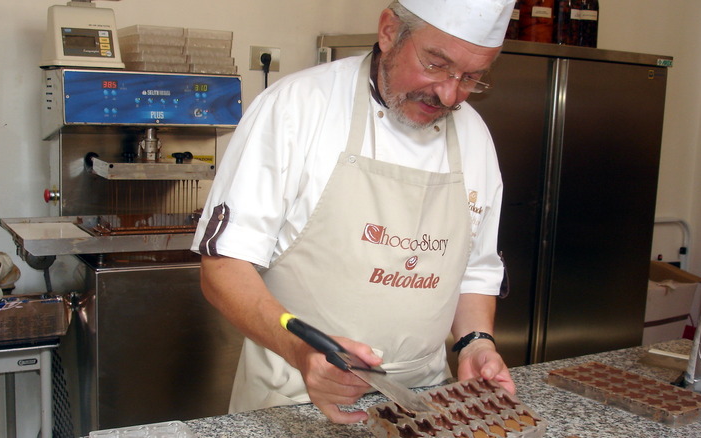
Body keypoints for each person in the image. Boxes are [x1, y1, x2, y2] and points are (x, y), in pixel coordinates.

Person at [192, 0, 516, 424]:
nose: (449, 93)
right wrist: (301, 350)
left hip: (423, 402)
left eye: (472, 77)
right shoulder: (297, 108)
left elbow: (475, 270)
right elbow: (223, 267)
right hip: (292, 396)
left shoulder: (473, 134)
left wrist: (475, 343)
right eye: (436, 64)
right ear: (388, 31)